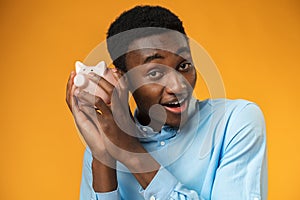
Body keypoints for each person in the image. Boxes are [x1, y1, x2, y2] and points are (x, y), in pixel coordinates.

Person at [66, 5, 267, 200]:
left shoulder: (235, 121)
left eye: (184, 65)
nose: (179, 87)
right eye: (155, 73)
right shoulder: (101, 144)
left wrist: (131, 153)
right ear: (123, 81)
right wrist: (104, 160)